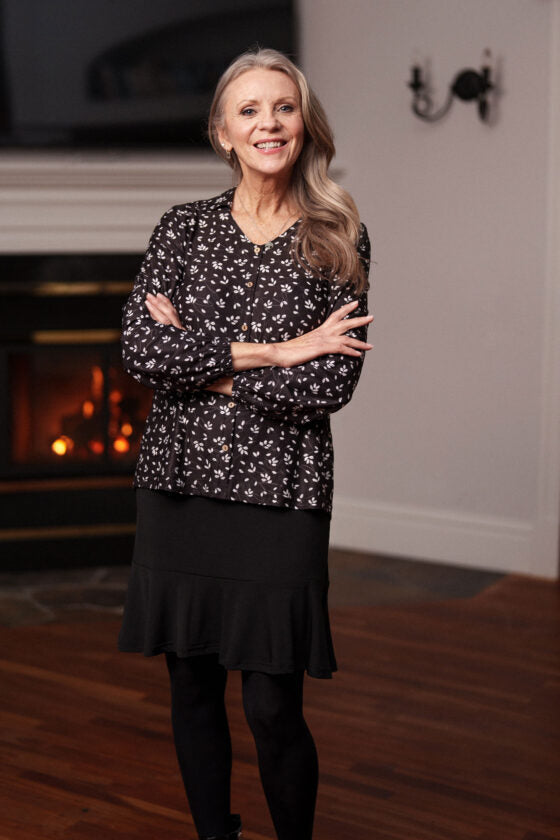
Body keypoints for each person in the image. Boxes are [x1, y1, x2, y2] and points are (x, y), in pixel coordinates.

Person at [118, 47, 373, 840]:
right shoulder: (183, 228)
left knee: (271, 703)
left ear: (304, 125)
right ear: (223, 132)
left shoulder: (340, 234)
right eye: (250, 111)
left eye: (284, 108)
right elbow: (142, 355)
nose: (270, 124)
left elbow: (326, 388)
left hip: (280, 495)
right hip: (180, 486)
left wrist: (203, 360)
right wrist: (279, 349)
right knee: (191, 688)